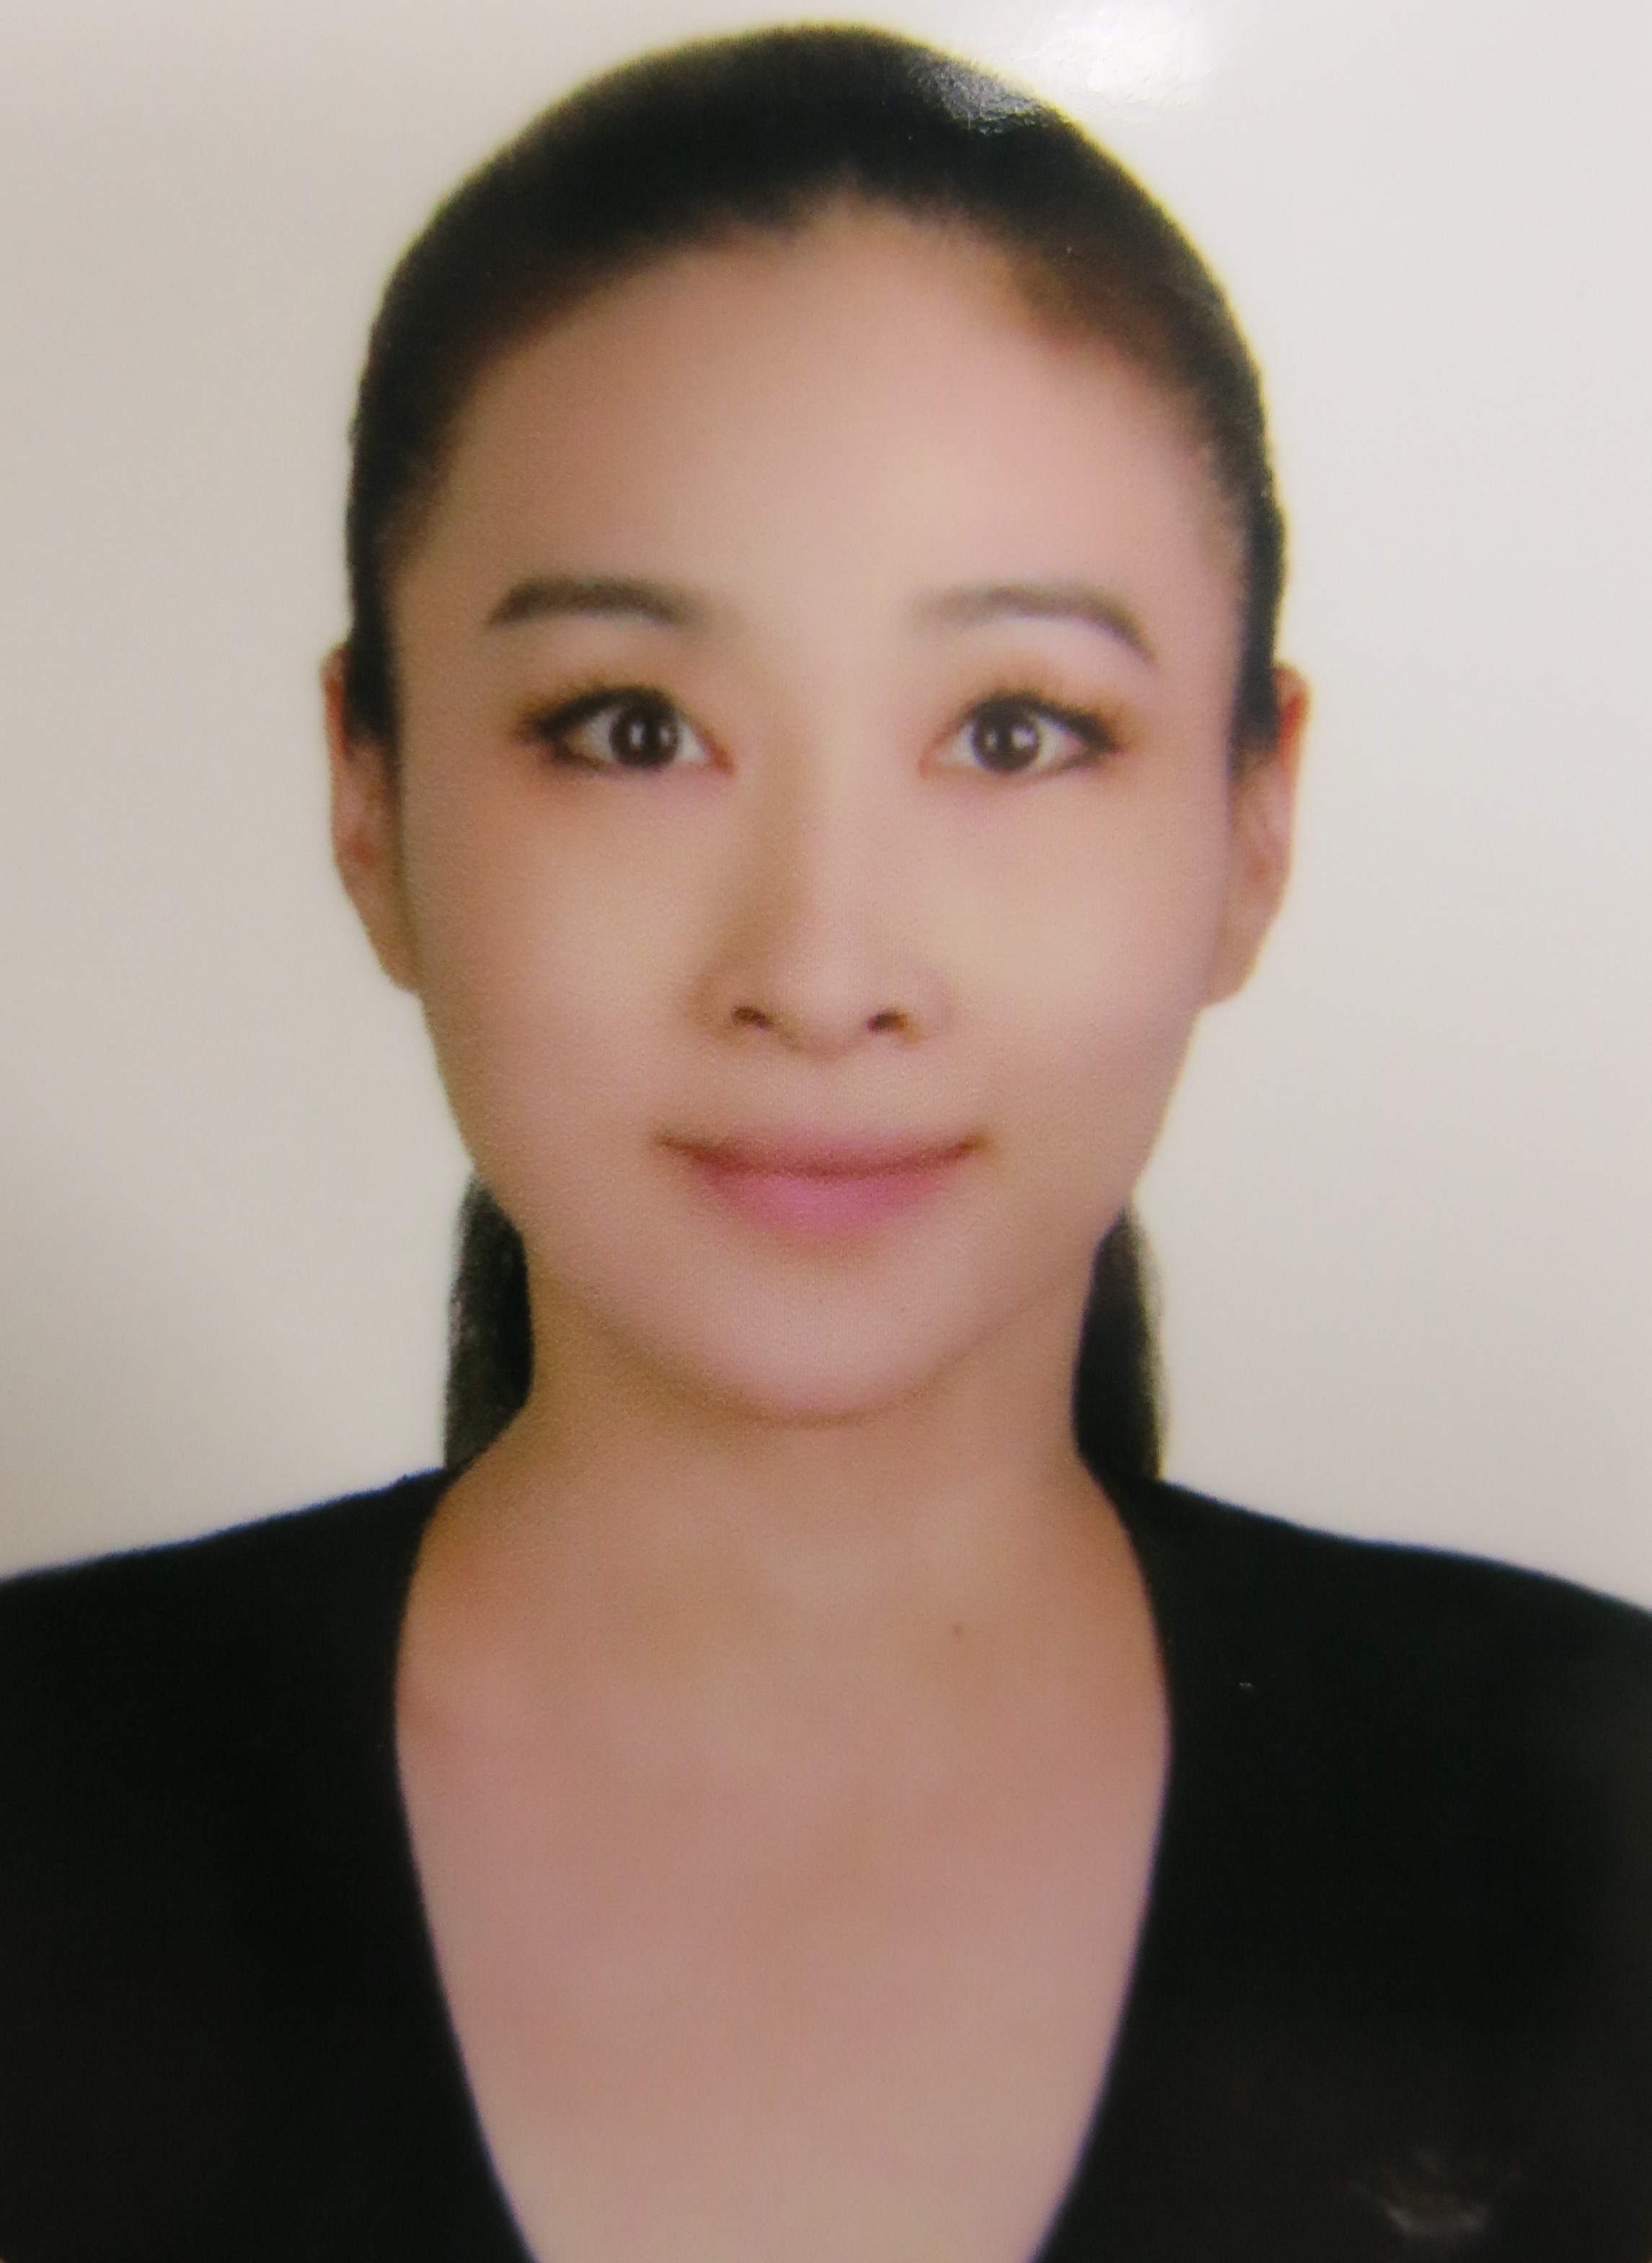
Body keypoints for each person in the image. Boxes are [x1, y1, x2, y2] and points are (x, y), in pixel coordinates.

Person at [1, 24, 1648, 2262]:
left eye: (1013, 730)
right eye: (632, 728)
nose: (819, 965)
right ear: (367, 796)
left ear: (1252, 821)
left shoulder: (1591, 1832)